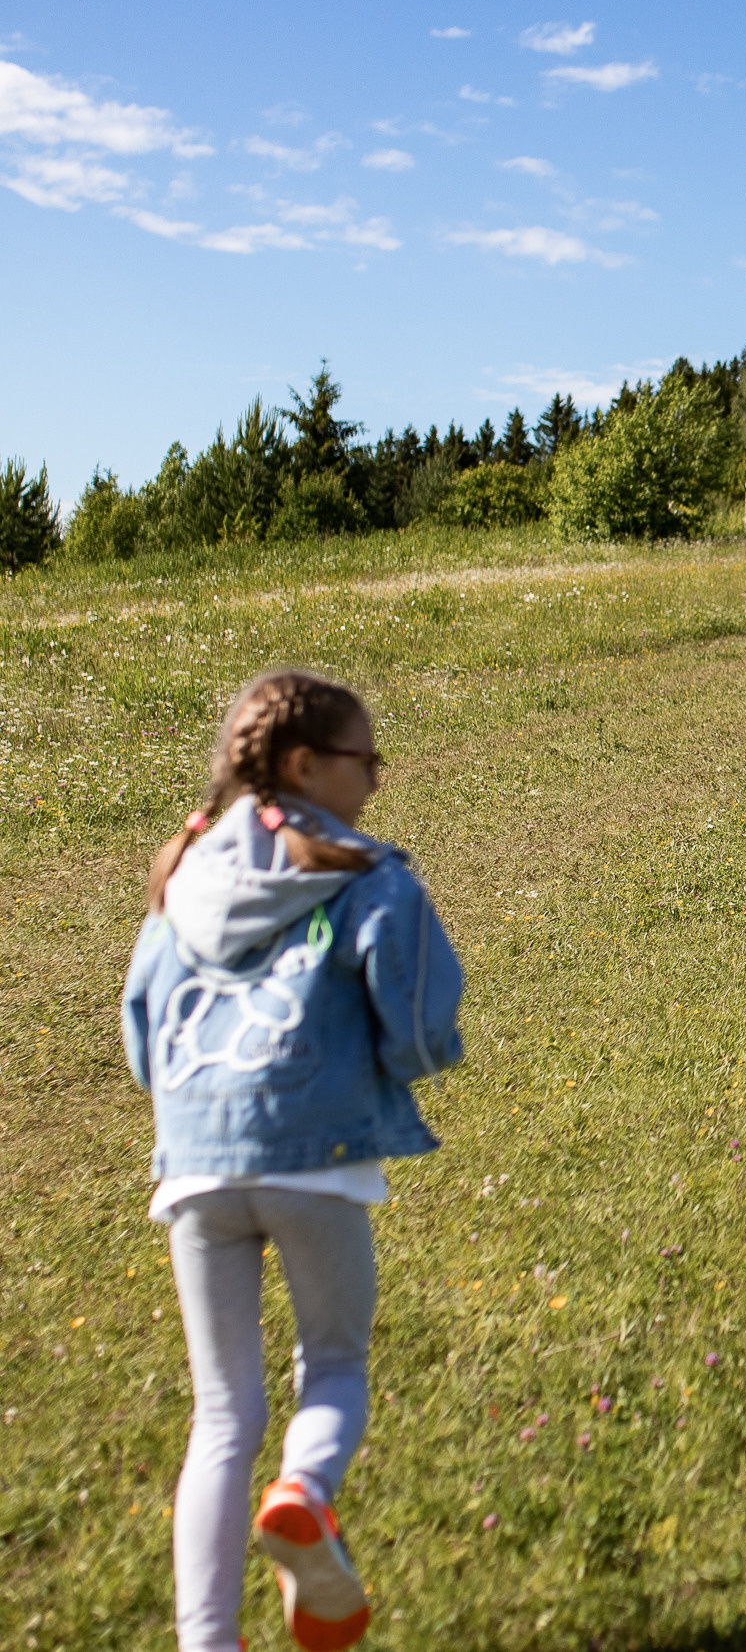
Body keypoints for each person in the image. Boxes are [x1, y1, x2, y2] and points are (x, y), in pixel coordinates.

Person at [123, 670, 465, 1652]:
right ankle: (306, 1497)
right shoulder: (368, 873)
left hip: (195, 1164)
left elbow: (142, 1036)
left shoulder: (182, 871)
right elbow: (416, 1022)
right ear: (307, 765)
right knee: (337, 1362)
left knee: (221, 1414)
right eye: (366, 759)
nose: (377, 779)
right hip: (315, 1160)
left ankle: (205, 1642)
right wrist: (407, 1067)